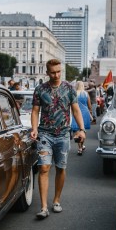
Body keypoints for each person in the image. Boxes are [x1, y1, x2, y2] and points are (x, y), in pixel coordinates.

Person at [30, 59, 86, 220]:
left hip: (63, 134)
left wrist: (81, 129)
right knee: (44, 168)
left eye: (58, 71)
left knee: (60, 168)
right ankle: (43, 207)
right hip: (45, 135)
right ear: (47, 72)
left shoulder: (69, 88)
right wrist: (34, 128)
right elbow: (35, 111)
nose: (56, 75)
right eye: (53, 72)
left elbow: (75, 111)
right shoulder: (40, 89)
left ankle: (56, 200)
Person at [71, 81, 93, 155]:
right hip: (85, 113)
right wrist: (91, 112)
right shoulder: (86, 94)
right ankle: (82, 145)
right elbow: (89, 105)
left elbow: (71, 105)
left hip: (76, 113)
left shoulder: (74, 94)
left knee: (77, 131)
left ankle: (80, 147)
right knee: (83, 130)